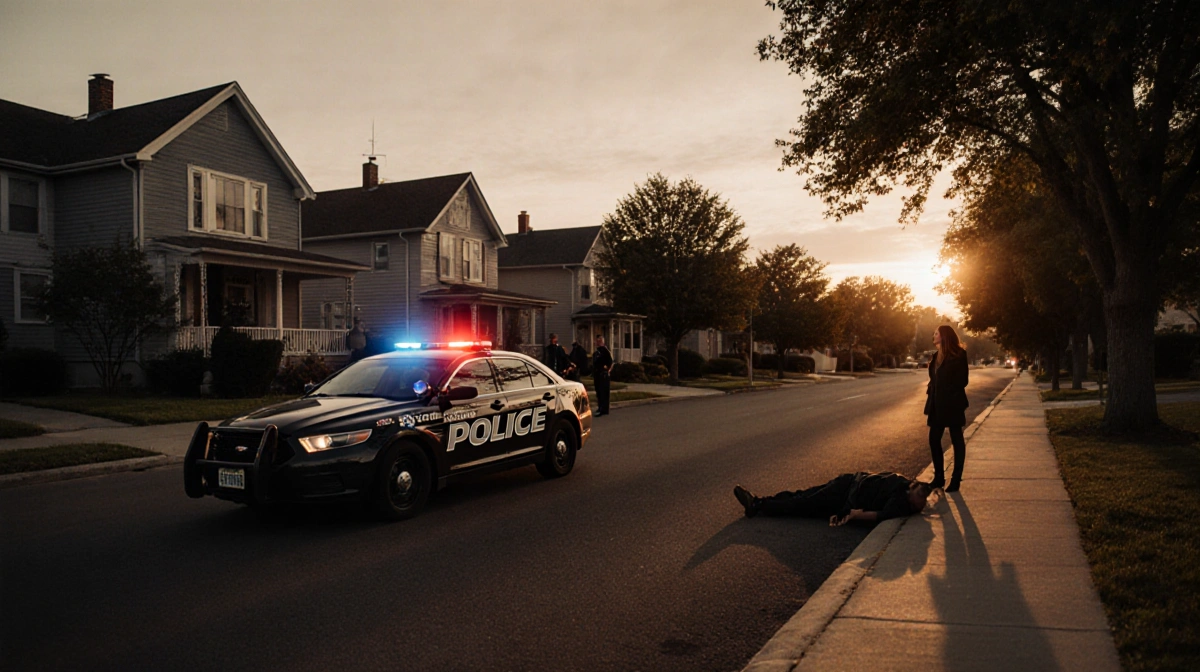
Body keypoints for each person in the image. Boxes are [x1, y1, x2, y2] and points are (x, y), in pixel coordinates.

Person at [733, 472, 934, 525]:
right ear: (913, 486)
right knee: (803, 498)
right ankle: (761, 502)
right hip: (846, 484)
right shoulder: (903, 484)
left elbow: (879, 516)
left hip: (844, 496)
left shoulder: (901, 504)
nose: (921, 502)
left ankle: (758, 504)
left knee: (803, 502)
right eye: (920, 495)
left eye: (922, 501)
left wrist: (853, 515)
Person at [925, 325, 969, 491]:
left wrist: (947, 391)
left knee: (956, 439)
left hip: (952, 404)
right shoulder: (936, 356)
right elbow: (934, 379)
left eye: (936, 333)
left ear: (944, 336)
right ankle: (939, 478)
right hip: (936, 404)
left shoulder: (959, 355)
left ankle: (956, 479)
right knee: (933, 439)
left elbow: (963, 381)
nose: (933, 336)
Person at [592, 335, 614, 416]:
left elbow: (611, 362)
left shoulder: (605, 351)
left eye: (598, 341)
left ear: (601, 341)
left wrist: (607, 371)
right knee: (598, 392)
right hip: (597, 374)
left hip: (603, 375)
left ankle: (604, 409)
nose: (596, 343)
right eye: (597, 341)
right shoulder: (597, 352)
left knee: (603, 392)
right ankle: (600, 407)